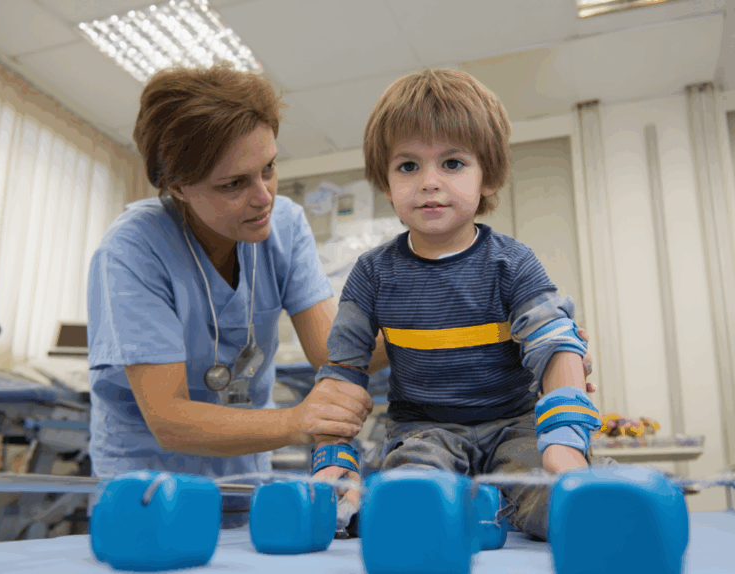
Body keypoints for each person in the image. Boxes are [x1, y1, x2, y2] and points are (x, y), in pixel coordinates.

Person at [85, 66, 391, 525]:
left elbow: (334, 352)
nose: (264, 195)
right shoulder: (132, 250)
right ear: (177, 187)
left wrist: (435, 325)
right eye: (234, 184)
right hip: (147, 486)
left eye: (268, 168)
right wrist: (297, 421)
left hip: (244, 478)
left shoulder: (284, 225)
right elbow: (169, 418)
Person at [312, 68, 606, 540]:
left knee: (557, 510)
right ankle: (442, 506)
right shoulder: (371, 273)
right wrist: (334, 459)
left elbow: (556, 343)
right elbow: (342, 372)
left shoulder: (512, 262)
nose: (429, 182)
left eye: (452, 164)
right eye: (407, 166)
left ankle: (534, 500)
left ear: (487, 177)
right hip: (424, 431)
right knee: (412, 503)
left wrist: (566, 444)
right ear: (386, 184)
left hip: (517, 424)